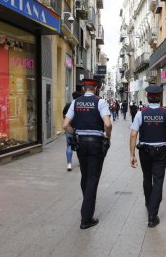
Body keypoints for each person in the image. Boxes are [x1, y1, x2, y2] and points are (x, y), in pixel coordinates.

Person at [63, 79, 112, 229]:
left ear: (84, 88)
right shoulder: (100, 102)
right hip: (96, 142)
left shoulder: (76, 102)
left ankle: (87, 203)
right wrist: (107, 137)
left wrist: (76, 133)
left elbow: (65, 125)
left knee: (85, 176)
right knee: (93, 177)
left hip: (81, 142)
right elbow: (108, 124)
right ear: (96, 88)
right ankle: (86, 218)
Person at [129, 85, 166, 228]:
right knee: (158, 181)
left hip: (144, 151)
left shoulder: (141, 113)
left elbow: (133, 134)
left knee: (147, 178)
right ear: (160, 97)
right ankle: (153, 216)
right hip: (160, 152)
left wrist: (132, 154)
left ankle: (148, 203)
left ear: (147, 96)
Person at [63, 91, 82, 171]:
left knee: (69, 146)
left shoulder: (67, 105)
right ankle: (81, 163)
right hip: (79, 129)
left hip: (69, 129)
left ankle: (69, 164)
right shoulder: (81, 105)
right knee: (80, 146)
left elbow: (64, 117)